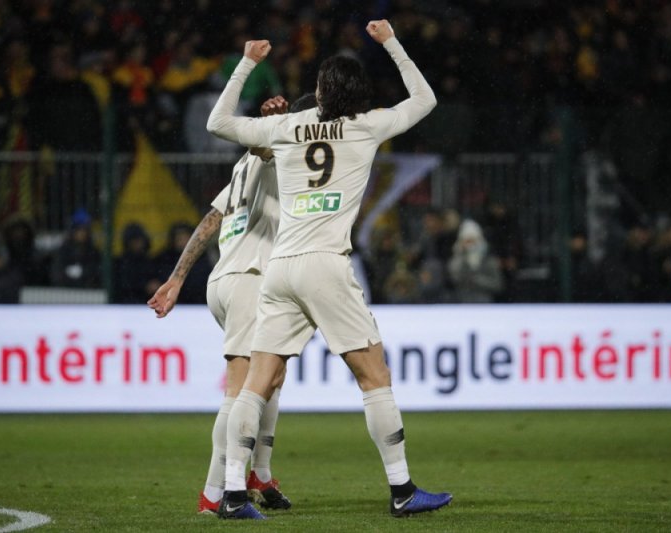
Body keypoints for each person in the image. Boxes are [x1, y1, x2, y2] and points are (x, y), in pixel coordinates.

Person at [205, 20, 451, 519]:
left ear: (319, 93)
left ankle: (231, 495)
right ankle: (402, 489)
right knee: (374, 374)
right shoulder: (367, 126)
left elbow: (218, 122)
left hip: (280, 268)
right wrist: (391, 43)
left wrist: (247, 63)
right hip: (325, 265)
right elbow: (425, 99)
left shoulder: (288, 127)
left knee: (257, 382)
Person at [148, 94, 318, 515]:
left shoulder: (244, 164)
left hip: (226, 278)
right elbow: (270, 146)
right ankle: (214, 494)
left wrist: (177, 277)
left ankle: (259, 474)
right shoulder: (282, 147)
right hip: (249, 279)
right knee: (241, 390)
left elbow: (211, 219)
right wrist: (276, 123)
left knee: (270, 376)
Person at [447, 219, 503, 303]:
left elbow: (497, 284)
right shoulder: (456, 259)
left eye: (472, 240)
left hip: (484, 304)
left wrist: (477, 280)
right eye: (467, 241)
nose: (470, 245)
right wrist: (462, 257)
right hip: (462, 303)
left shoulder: (489, 260)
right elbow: (453, 278)